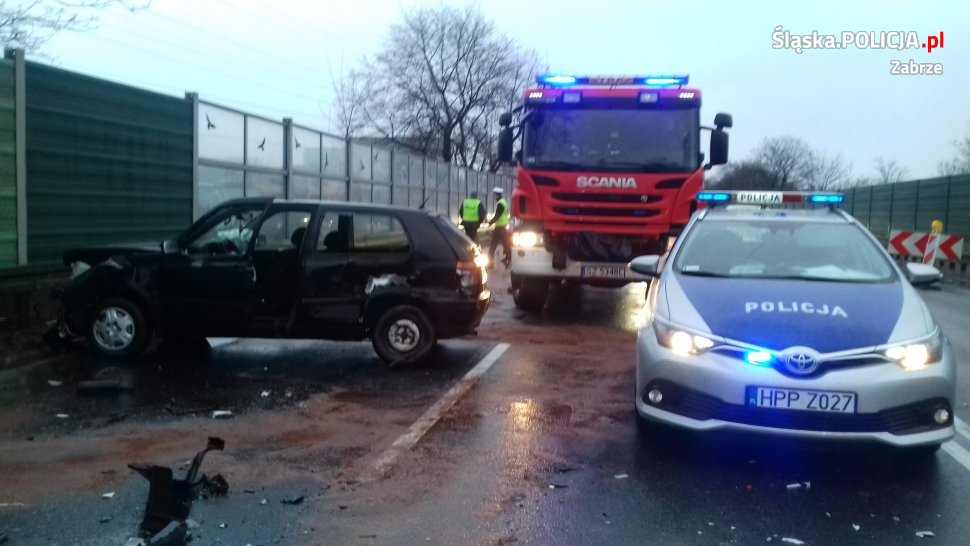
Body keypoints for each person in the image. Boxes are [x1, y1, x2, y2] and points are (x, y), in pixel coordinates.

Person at [488, 187, 511, 269]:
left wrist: (491, 222)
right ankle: (509, 258)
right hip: (504, 227)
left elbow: (498, 215)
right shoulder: (504, 202)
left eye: (495, 196)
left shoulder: (500, 204)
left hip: (499, 228)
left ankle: (489, 260)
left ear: (497, 196)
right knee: (506, 244)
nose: (495, 197)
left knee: (493, 244)